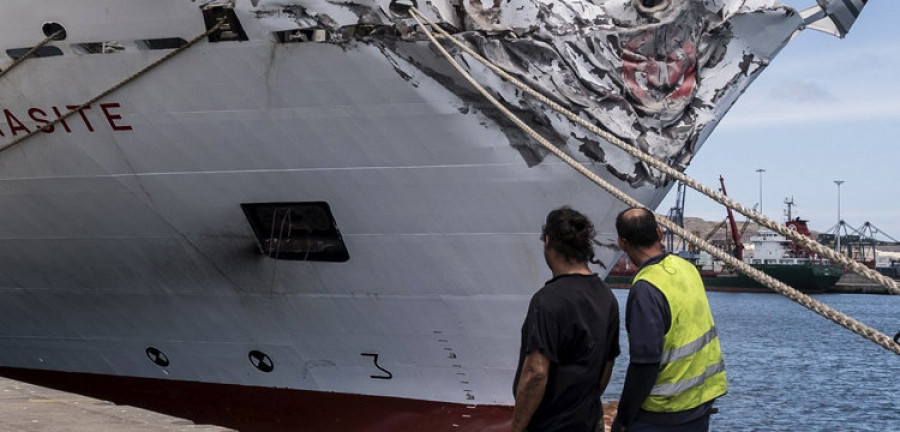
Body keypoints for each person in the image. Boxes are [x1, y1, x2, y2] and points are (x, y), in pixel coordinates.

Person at [611, 208, 727, 432]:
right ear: (659, 233)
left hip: (662, 414)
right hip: (698, 404)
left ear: (622, 243)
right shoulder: (687, 268)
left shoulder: (645, 288)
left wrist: (623, 419)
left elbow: (644, 364)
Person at [512, 206, 620, 432]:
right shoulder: (606, 296)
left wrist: (517, 428)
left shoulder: (547, 300)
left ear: (548, 242)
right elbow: (607, 364)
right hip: (588, 422)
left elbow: (536, 372)